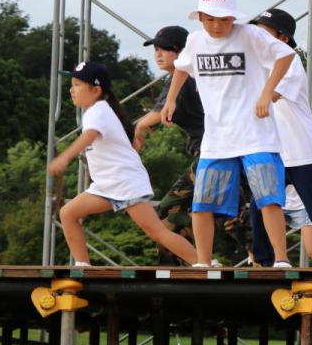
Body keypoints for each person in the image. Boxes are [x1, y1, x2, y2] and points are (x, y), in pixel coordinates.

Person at [161, 0, 297, 267]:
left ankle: (281, 259)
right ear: (200, 17)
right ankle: (202, 260)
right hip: (218, 137)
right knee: (202, 202)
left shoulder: (250, 35)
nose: (217, 25)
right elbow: (182, 67)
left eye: (223, 19)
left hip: (256, 134)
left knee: (268, 197)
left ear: (233, 18)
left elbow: (286, 55)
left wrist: (266, 92)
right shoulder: (197, 42)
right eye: (210, 19)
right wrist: (171, 100)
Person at [49, 61, 201, 267]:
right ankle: (82, 266)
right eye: (72, 84)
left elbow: (90, 136)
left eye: (77, 85)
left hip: (124, 183)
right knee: (68, 213)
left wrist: (65, 157)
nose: (71, 89)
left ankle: (203, 263)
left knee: (156, 231)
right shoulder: (98, 110)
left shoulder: (97, 111)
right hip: (107, 185)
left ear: (95, 90)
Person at [133, 25, 245, 266]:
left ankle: (258, 261)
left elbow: (158, 114)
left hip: (217, 152)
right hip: (216, 152)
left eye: (166, 49)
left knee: (222, 215)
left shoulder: (183, 77)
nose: (158, 55)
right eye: (155, 50)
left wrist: (138, 128)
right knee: (188, 214)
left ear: (183, 52)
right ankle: (197, 264)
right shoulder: (182, 78)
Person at [249, 8, 312, 268]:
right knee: (258, 207)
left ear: (282, 38)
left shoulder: (290, 62)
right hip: (271, 151)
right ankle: (263, 261)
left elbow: (270, 96)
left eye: (263, 33)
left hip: (300, 151)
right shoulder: (256, 62)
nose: (256, 38)